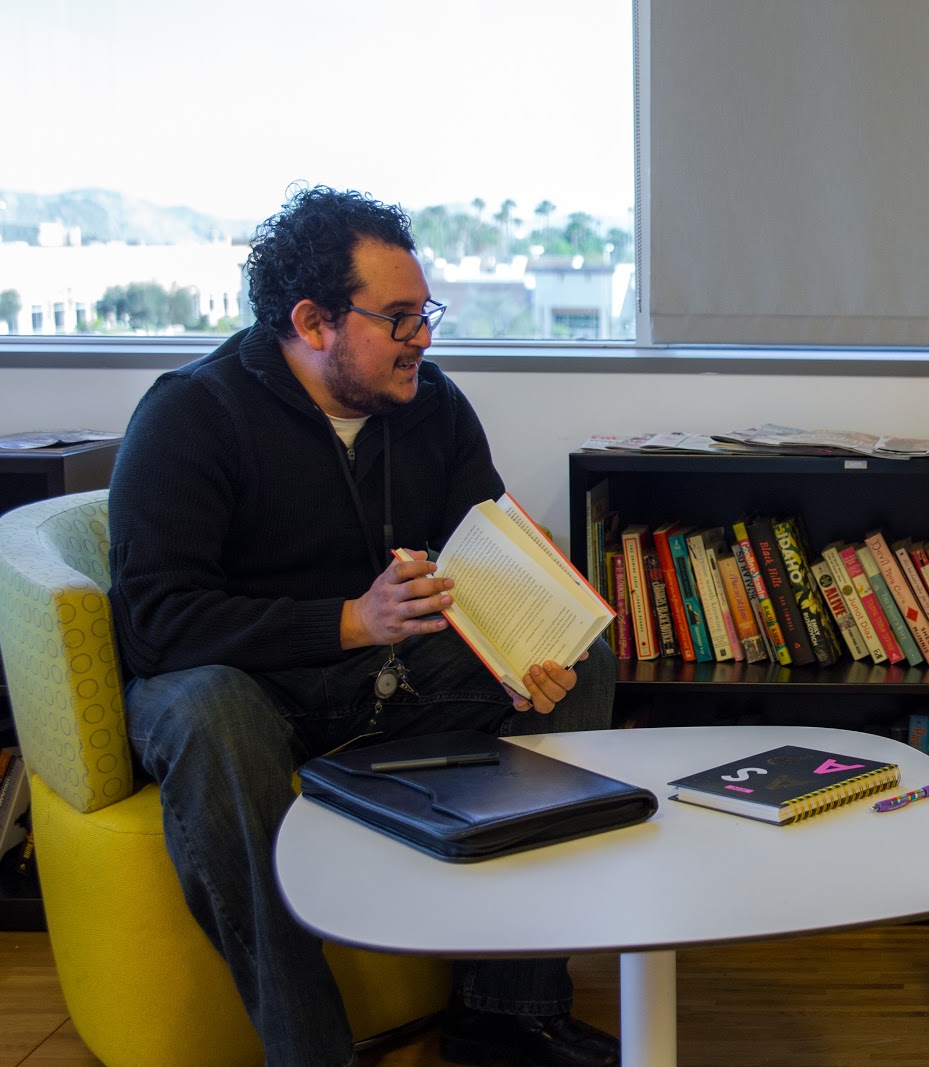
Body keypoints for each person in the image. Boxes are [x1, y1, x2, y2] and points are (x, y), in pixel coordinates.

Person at [108, 186, 620, 1067]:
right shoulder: (191, 416)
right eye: (399, 318)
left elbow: (482, 558)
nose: (424, 337)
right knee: (210, 714)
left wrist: (526, 648)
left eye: (427, 313)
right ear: (313, 320)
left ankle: (505, 1008)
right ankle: (309, 1049)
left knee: (589, 662)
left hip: (384, 682)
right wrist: (349, 620)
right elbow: (155, 624)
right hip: (242, 689)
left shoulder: (433, 406)